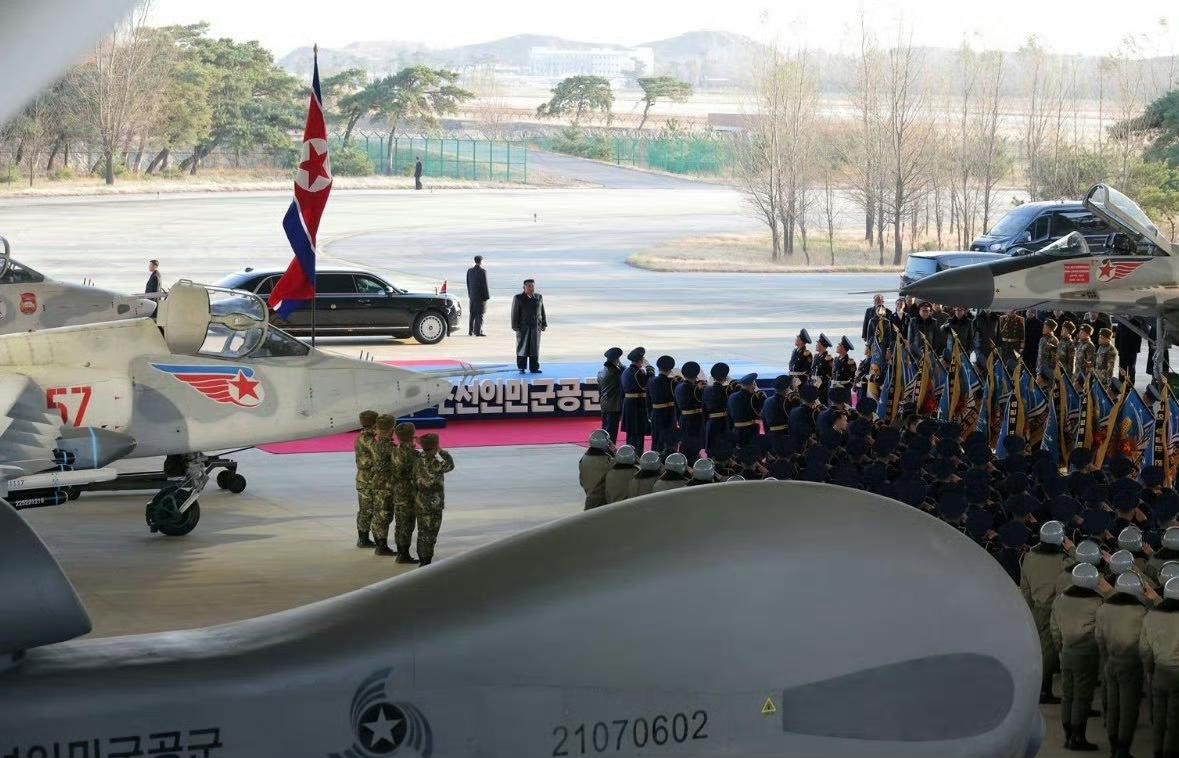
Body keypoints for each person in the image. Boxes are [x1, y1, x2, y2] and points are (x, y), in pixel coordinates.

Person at [1051, 563, 1105, 751]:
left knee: (1068, 695)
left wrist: (1062, 647)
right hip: (1087, 655)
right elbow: (1102, 631)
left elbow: (1054, 629)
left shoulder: (1060, 599)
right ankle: (1078, 738)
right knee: (1082, 697)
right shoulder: (1098, 602)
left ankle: (1068, 736)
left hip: (1065, 652)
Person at [1095, 573, 1147, 758]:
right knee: (1128, 709)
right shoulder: (1141, 612)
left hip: (1110, 663)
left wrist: (1105, 658)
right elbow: (1145, 644)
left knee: (1113, 709)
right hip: (1131, 665)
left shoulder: (1103, 609)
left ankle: (1113, 748)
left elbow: (1099, 638)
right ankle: (1123, 751)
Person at [1020, 520, 1070, 704]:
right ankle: (1043, 691)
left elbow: (1024, 586)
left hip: (1036, 607)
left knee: (1041, 647)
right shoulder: (1064, 561)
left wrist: (1028, 608)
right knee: (1049, 651)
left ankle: (1042, 687)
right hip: (1055, 608)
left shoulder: (1029, 557)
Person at [1142, 578, 1179, 758]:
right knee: (1174, 720)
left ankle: (1157, 751)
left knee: (1158, 716)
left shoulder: (1151, 616)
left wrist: (1149, 670)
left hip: (1159, 672)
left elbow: (1145, 648)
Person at [410, 433, 453, 566]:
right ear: (435, 446)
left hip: (420, 500)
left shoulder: (417, 459)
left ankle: (423, 558)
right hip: (433, 502)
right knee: (431, 532)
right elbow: (450, 465)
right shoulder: (434, 463)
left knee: (422, 531)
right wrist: (441, 451)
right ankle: (426, 560)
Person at [391, 422, 421, 564]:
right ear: (412, 436)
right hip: (408, 492)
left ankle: (401, 552)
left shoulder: (395, 449)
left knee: (400, 523)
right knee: (407, 524)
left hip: (398, 490)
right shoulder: (413, 454)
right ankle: (404, 554)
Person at [370, 414, 398, 557]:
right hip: (386, 484)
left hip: (376, 481)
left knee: (378, 512)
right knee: (385, 514)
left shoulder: (373, 443)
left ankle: (379, 542)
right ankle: (382, 545)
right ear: (391, 429)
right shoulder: (389, 446)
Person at [353, 410, 379, 548]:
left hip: (364, 478)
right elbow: (376, 457)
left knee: (366, 509)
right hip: (368, 479)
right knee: (368, 510)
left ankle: (363, 538)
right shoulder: (368, 439)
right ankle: (363, 538)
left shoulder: (363, 436)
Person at [620, 347, 653, 454]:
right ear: (641, 360)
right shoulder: (637, 373)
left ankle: (630, 453)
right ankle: (637, 454)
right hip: (637, 405)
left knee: (631, 433)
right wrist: (649, 369)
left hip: (629, 403)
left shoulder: (626, 371)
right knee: (638, 432)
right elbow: (648, 384)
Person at [510, 279, 546, 373]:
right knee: (522, 348)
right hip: (523, 328)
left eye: (532, 286)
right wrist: (515, 326)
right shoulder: (518, 298)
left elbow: (541, 311)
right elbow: (514, 312)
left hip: (535, 327)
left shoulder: (538, 297)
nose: (531, 288)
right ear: (524, 287)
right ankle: (521, 367)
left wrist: (544, 323)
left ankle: (534, 368)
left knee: (534, 348)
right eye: (529, 286)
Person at [648, 355, 678, 456]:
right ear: (670, 369)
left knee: (656, 440)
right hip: (667, 415)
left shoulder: (651, 380)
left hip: (655, 413)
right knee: (668, 442)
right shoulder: (671, 383)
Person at [675, 361, 705, 460]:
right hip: (694, 420)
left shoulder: (678, 386)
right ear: (696, 375)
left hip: (683, 418)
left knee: (686, 443)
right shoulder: (695, 389)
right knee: (693, 444)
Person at [579, 430, 614, 509]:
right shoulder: (606, 461)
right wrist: (614, 451)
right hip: (602, 502)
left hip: (590, 498)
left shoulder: (583, 459)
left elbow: (581, 481)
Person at [597, 347, 624, 443]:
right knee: (612, 431)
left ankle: (603, 448)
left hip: (604, 403)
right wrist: (621, 366)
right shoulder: (616, 373)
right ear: (617, 359)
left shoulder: (600, 372)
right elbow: (625, 373)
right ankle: (610, 451)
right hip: (614, 405)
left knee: (605, 428)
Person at [703, 362, 731, 453]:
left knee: (712, 448)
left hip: (710, 423)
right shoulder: (727, 390)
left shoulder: (706, 390)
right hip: (723, 423)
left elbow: (704, 409)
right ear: (726, 377)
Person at [727, 373, 761, 447]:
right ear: (750, 385)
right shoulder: (753, 398)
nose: (755, 387)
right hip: (750, 431)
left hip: (736, 430)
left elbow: (729, 414)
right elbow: (758, 414)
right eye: (754, 384)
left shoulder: (732, 397)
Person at [465, 255, 489, 337]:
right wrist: (487, 297)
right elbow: (485, 285)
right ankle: (478, 331)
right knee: (480, 314)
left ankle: (470, 331)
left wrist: (470, 294)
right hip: (480, 297)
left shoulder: (469, 271)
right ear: (481, 261)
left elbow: (468, 283)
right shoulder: (483, 271)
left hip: (472, 296)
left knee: (472, 314)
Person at [1115, 319, 1143, 386]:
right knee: (1122, 368)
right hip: (1122, 349)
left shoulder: (1136, 322)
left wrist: (1137, 349)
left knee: (1131, 369)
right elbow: (1117, 335)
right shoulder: (1121, 321)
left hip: (1132, 350)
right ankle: (1121, 384)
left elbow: (1139, 336)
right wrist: (1117, 346)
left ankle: (1130, 385)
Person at [811, 334, 834, 405]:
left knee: (822, 403)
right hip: (814, 383)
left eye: (817, 343)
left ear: (822, 345)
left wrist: (822, 379)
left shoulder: (828, 358)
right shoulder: (816, 356)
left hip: (822, 386)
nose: (816, 345)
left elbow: (831, 374)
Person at [1036, 319, 1059, 386]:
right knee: (1039, 386)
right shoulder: (1042, 339)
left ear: (1050, 329)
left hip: (1048, 368)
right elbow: (1039, 354)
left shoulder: (1054, 340)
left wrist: (1051, 368)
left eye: (1045, 327)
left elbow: (1054, 356)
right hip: (1040, 367)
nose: (1043, 329)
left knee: (1049, 387)